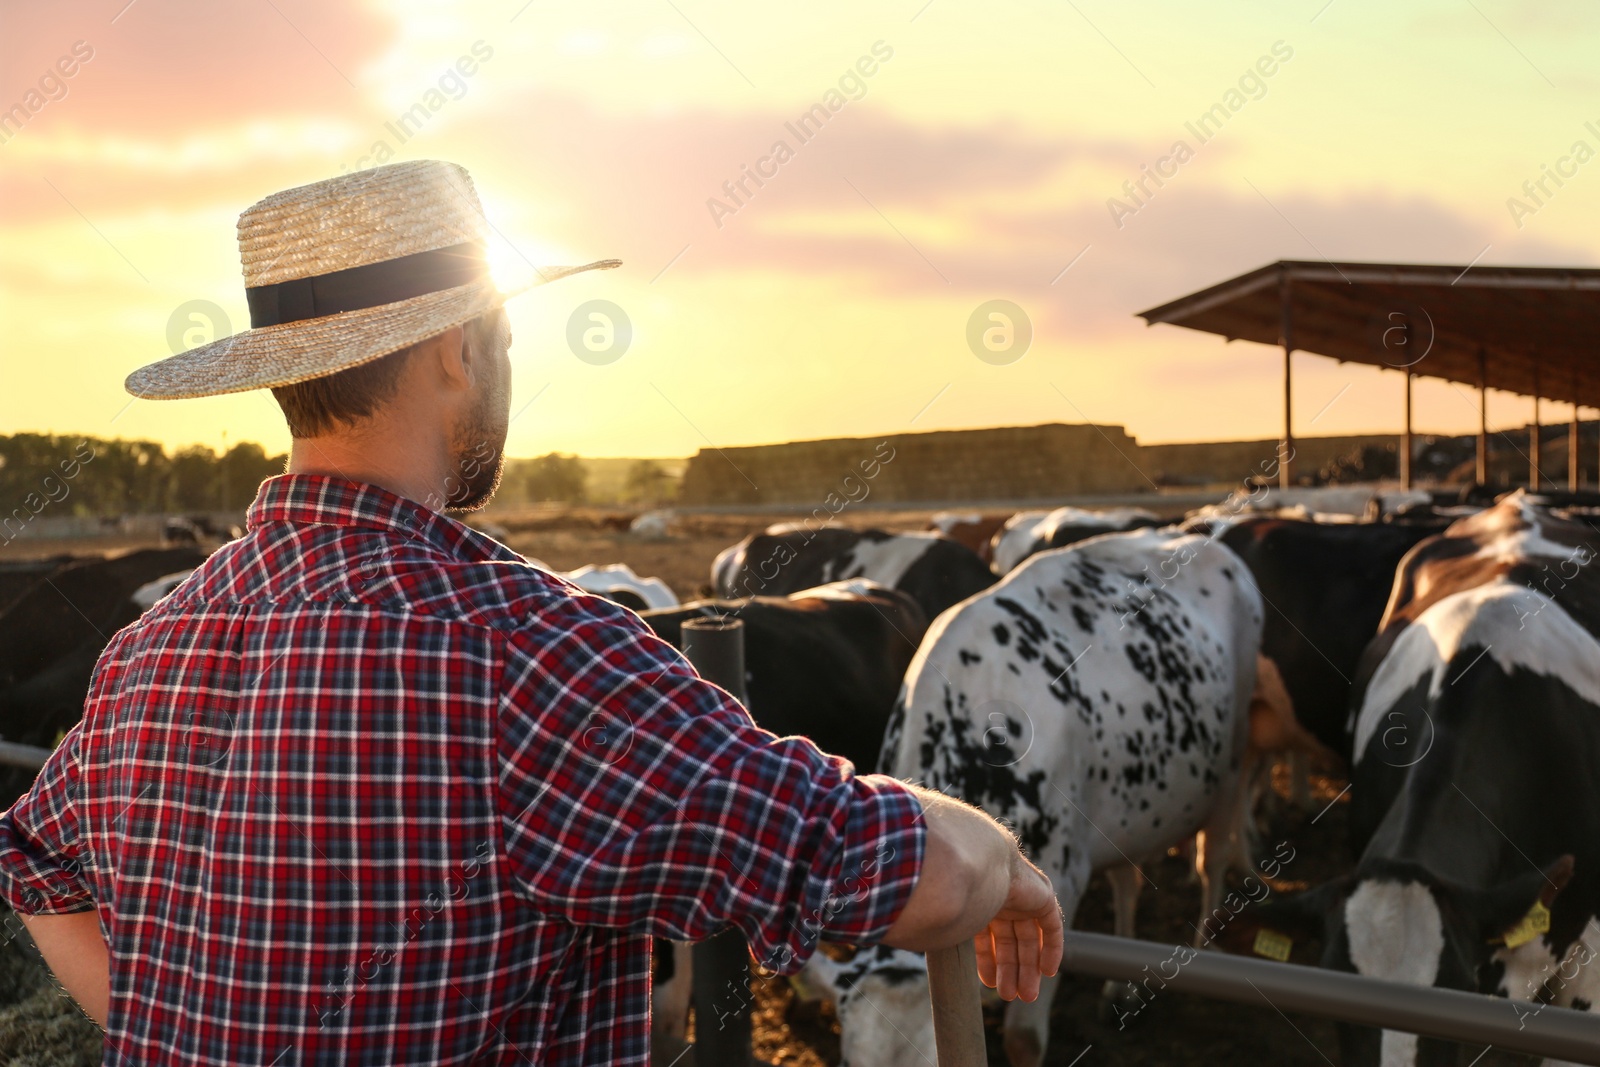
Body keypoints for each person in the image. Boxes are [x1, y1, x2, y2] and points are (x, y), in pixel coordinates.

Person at [0, 160, 1061, 1065]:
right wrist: (998, 853)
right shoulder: (526, 651)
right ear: (461, 345)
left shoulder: (155, 641)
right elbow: (899, 874)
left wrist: (161, 1022)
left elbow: (37, 861)